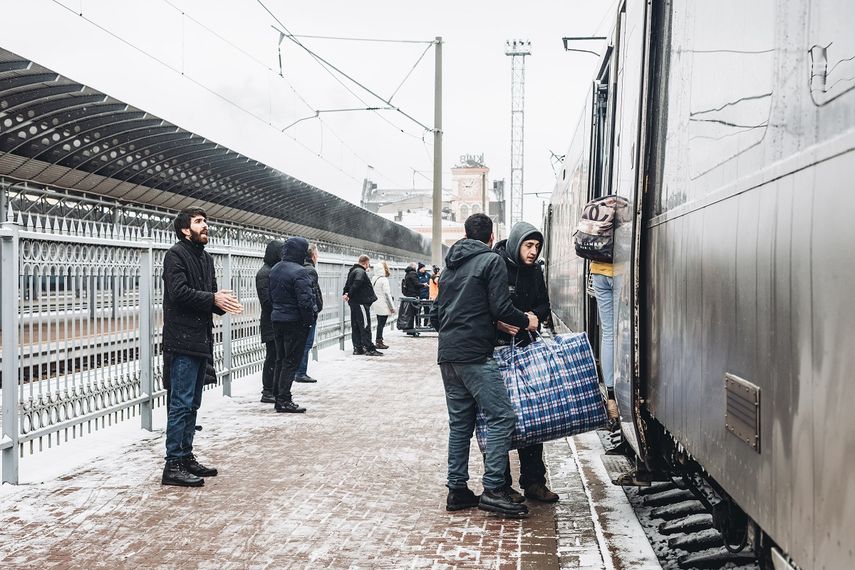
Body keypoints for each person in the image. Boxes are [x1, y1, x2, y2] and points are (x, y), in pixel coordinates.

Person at [430, 213, 538, 518]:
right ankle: (493, 489)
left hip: (448, 355)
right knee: (503, 417)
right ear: (491, 237)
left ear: (466, 236)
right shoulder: (492, 261)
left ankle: (457, 490)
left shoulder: (449, 269)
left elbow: (437, 317)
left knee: (460, 424)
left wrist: (485, 324)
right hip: (476, 355)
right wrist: (525, 321)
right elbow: (501, 306)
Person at [161, 207, 243, 487]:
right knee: (181, 404)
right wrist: (213, 299)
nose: (205, 226)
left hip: (200, 339)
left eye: (205, 222)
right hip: (181, 340)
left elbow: (211, 296)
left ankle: (185, 456)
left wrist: (223, 303)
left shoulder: (205, 258)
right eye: (198, 222)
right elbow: (179, 292)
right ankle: (172, 465)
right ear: (185, 230)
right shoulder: (175, 255)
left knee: (193, 403)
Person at [494, 222, 560, 503]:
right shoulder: (496, 265)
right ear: (516, 244)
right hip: (496, 352)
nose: (533, 252)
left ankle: (534, 481)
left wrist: (532, 316)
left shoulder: (535, 271)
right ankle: (503, 484)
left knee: (533, 413)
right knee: (500, 419)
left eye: (537, 247)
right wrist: (503, 322)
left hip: (526, 349)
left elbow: (545, 304)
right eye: (528, 246)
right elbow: (487, 304)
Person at [269, 237, 318, 413]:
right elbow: (305, 301)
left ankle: (277, 395)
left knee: (280, 358)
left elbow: (271, 295)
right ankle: (284, 400)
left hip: (277, 319)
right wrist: (308, 321)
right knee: (291, 361)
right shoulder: (300, 272)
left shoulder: (275, 269)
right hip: (294, 322)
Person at [256, 239, 285, 403]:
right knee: (272, 356)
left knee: (277, 356)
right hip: (271, 322)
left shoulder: (272, 270)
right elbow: (266, 302)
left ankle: (273, 389)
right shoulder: (265, 273)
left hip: (276, 320)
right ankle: (267, 391)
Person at [591, 259, 619, 421]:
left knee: (608, 333)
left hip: (598, 270)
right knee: (624, 331)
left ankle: (611, 397)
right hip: (622, 267)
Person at [342, 255, 382, 356]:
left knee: (356, 326)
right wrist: (349, 295)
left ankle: (358, 348)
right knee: (365, 325)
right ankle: (369, 348)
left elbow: (347, 285)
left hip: (355, 303)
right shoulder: (360, 272)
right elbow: (357, 283)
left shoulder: (353, 270)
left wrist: (346, 293)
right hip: (361, 303)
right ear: (366, 263)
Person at [295, 243, 322, 383]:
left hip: (303, 314)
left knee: (302, 343)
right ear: (313, 255)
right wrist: (314, 311)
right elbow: (309, 294)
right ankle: (300, 372)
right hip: (308, 315)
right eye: (317, 254)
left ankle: (298, 371)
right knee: (306, 344)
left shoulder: (300, 267)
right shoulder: (310, 270)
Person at [370, 260, 395, 350]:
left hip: (376, 303)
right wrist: (392, 307)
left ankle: (379, 340)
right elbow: (387, 295)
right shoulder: (384, 280)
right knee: (381, 324)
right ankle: (379, 341)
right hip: (383, 304)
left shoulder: (374, 278)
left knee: (379, 323)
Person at [399, 262, 422, 334]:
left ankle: (409, 328)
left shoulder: (407, 273)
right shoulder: (413, 273)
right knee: (416, 312)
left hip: (408, 295)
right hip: (414, 295)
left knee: (410, 313)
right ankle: (416, 327)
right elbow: (416, 284)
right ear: (414, 267)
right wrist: (423, 285)